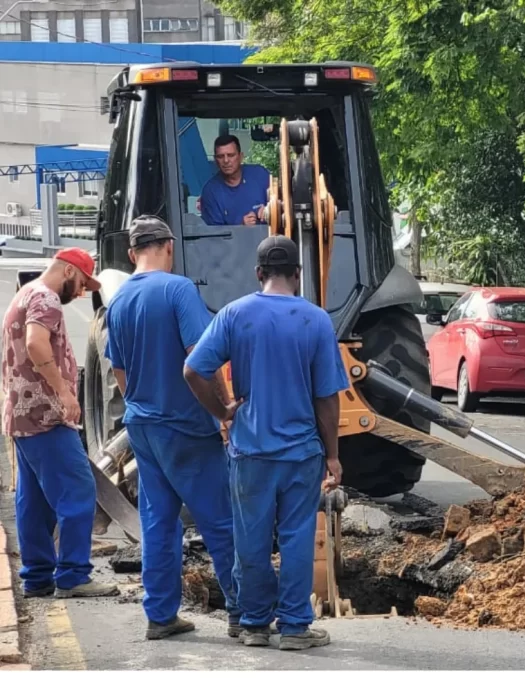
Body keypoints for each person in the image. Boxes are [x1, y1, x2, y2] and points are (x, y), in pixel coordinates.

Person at [183, 235, 345, 651]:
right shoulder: (316, 320)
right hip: (301, 453)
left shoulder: (235, 314)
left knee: (251, 539)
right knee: (296, 537)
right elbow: (327, 398)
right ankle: (294, 628)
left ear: (258, 273)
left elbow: (194, 370)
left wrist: (223, 412)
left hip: (250, 453)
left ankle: (254, 624)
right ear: (297, 274)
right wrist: (332, 455)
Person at [103, 215, 241, 640]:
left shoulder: (119, 300)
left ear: (132, 254)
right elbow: (201, 359)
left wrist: (142, 404)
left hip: (143, 428)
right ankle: (245, 611)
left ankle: (160, 615)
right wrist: (224, 411)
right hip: (186, 426)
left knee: (158, 523)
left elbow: (120, 372)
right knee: (220, 520)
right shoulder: (178, 289)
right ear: (170, 247)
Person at [1, 248, 119, 600]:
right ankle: (73, 575)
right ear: (68, 271)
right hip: (46, 416)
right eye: (82, 283)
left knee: (34, 501)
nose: (81, 292)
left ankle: (37, 577)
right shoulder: (46, 299)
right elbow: (36, 344)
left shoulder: (24, 293)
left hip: (22, 415)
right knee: (78, 491)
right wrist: (65, 393)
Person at [200, 135, 271, 227]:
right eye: (221, 156)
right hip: (236, 237)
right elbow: (215, 233)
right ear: (215, 160)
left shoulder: (260, 174)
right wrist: (241, 226)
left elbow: (283, 204)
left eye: (231, 155)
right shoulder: (210, 192)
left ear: (241, 156)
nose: (226, 160)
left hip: (270, 235)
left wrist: (270, 210)